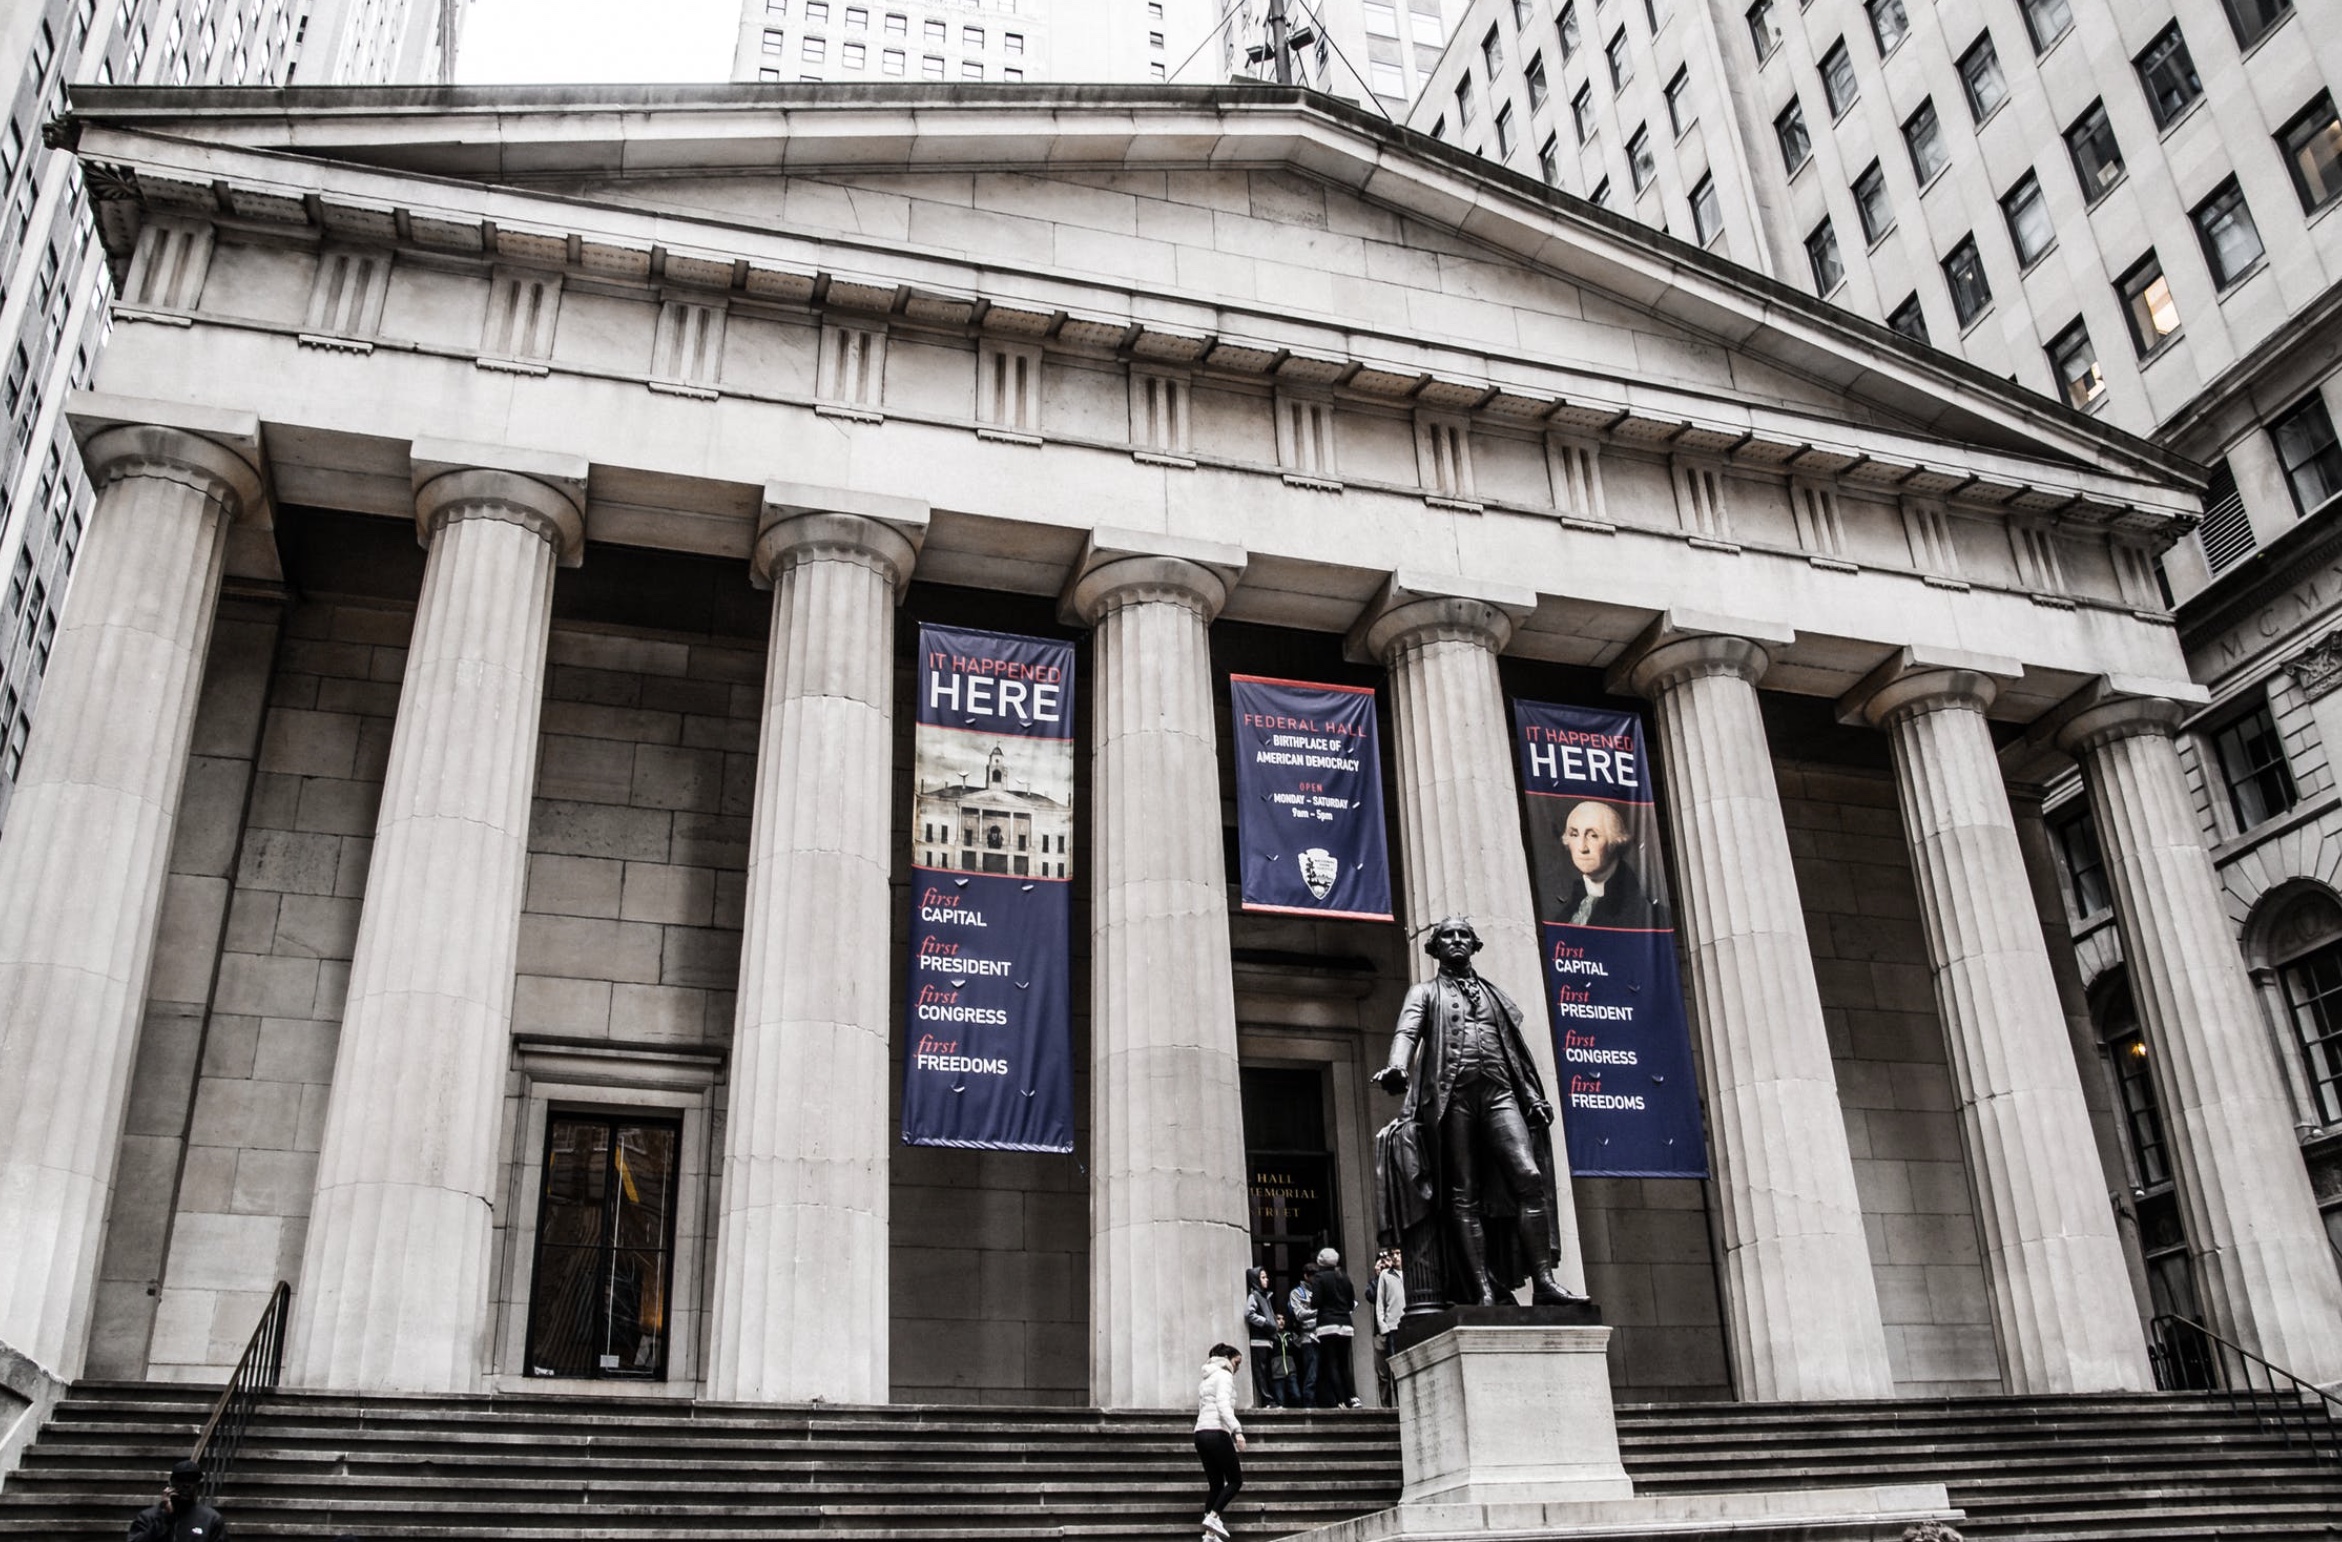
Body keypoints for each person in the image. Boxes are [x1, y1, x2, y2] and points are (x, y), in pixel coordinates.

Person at [1374, 915, 1579, 1310]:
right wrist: (1397, 1065)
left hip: (1500, 1093)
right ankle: (1481, 1288)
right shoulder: (1424, 992)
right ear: (1435, 947)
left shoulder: (1493, 995)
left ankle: (1544, 1281)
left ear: (1474, 944)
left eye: (1463, 935)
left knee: (1529, 1177)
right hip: (1452, 1098)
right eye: (1448, 935)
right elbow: (1407, 1032)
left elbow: (1513, 1050)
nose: (1456, 940)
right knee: (1462, 1192)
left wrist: (1531, 1096)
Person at [1557, 800, 1661, 929]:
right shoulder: (1568, 910)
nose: (1582, 848)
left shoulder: (1645, 914)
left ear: (1614, 842)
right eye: (1574, 834)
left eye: (1593, 836)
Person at [1193, 1343, 1247, 1538]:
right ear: (1226, 1359)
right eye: (1236, 1362)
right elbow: (1223, 1405)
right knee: (1235, 1481)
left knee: (1216, 1485)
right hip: (1216, 1432)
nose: (1237, 1368)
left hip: (1200, 1434)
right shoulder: (1224, 1376)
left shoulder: (1206, 1379)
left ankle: (1209, 1535)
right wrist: (1237, 1431)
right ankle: (1213, 1518)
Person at [126, 1459, 228, 1542]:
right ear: (171, 1483)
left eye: (191, 1480)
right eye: (181, 1480)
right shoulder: (148, 1517)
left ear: (197, 1485)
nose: (186, 1485)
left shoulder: (211, 1519)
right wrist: (164, 1519)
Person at [1309, 1247, 1360, 1407]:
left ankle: (1340, 1400)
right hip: (1345, 1323)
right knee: (1344, 1363)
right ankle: (1353, 1397)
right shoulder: (1344, 1276)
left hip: (1327, 1324)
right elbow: (1351, 1302)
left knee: (1332, 1363)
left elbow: (1316, 1302)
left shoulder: (1319, 1278)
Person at [1372, 1248, 1406, 1405]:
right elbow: (1379, 1301)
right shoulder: (1385, 1275)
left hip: (1407, 1323)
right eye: (1394, 1254)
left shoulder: (1408, 1273)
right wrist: (1383, 1324)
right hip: (1392, 1325)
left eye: (1399, 1254)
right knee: (1393, 1369)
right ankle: (1394, 1405)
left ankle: (1403, 1403)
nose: (1396, 1257)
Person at [1241, 1266, 1278, 1406]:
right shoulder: (1255, 1296)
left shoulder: (1265, 1296)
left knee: (1267, 1371)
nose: (1266, 1280)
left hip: (1267, 1339)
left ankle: (1270, 1399)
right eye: (1263, 1277)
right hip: (1259, 1340)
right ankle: (1267, 1399)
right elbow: (1248, 1313)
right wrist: (1265, 1322)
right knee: (1261, 1371)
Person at [1285, 1268, 1319, 1409]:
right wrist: (1318, 1312)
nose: (1316, 1280)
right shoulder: (1297, 1293)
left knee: (1322, 1371)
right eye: (1314, 1276)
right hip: (1307, 1337)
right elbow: (1299, 1314)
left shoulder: (1320, 1290)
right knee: (1311, 1371)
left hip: (1322, 1335)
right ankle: (1308, 1403)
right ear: (1306, 1276)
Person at [1267, 1312, 1302, 1409]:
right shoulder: (1272, 1336)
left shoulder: (1290, 1335)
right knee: (1280, 1400)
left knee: (1297, 1395)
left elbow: (1300, 1344)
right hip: (1277, 1372)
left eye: (1283, 1319)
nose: (1281, 1321)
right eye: (1278, 1319)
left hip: (1291, 1370)